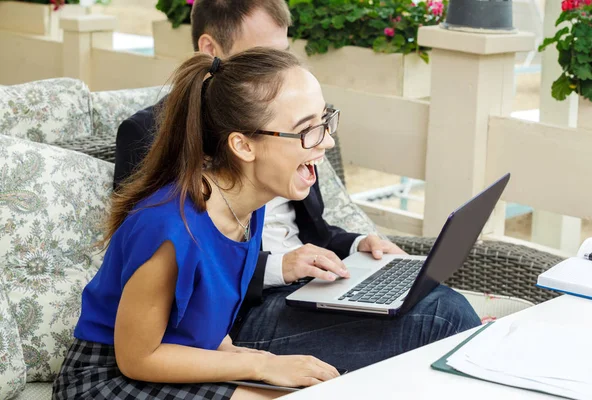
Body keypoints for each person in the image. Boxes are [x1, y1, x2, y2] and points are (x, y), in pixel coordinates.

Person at [113, 0, 481, 374]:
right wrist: (279, 271)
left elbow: (311, 230)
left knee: (434, 301)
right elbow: (165, 271)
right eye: (263, 55)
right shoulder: (164, 161)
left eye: (283, 53)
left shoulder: (275, 169)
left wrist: (357, 246)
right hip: (240, 311)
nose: (279, 69)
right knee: (441, 317)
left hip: (289, 295)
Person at [53, 49, 342, 400]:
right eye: (307, 130)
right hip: (105, 378)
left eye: (325, 121)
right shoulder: (169, 228)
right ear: (243, 145)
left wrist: (257, 359)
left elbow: (202, 321)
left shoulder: (249, 208)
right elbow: (137, 358)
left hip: (174, 361)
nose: (326, 140)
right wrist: (261, 367)